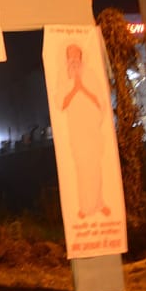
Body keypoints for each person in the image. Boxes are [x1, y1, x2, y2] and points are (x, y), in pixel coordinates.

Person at [60, 43, 110, 219]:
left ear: (81, 57)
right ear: (67, 58)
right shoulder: (64, 78)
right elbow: (61, 104)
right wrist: (75, 88)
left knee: (95, 166)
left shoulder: (90, 75)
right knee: (82, 168)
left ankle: (99, 203)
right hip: (77, 130)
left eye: (76, 55)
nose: (74, 59)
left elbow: (100, 101)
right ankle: (85, 207)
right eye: (70, 55)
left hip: (92, 129)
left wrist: (83, 88)